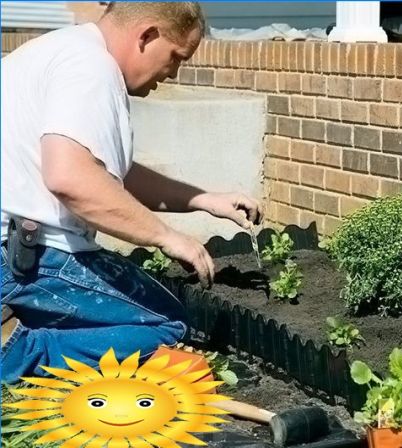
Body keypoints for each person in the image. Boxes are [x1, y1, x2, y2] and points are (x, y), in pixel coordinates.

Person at [0, 2, 262, 383]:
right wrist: (167, 237)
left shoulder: (60, 50)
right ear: (147, 35)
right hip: (23, 258)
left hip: (16, 250)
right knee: (167, 324)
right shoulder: (92, 69)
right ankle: (15, 353)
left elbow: (106, 172)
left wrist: (203, 199)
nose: (173, 72)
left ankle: (20, 326)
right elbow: (71, 177)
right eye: (176, 57)